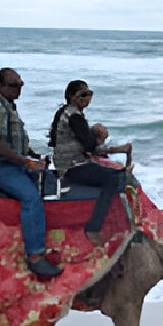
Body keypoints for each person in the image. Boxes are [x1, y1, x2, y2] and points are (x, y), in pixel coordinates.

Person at [0, 68, 61, 278]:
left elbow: (16, 144)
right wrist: (28, 163)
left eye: (20, 84)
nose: (19, 89)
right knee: (31, 197)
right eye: (13, 85)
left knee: (52, 184)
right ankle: (35, 256)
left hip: (14, 164)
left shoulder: (10, 108)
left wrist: (34, 156)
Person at [47, 80, 131, 245]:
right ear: (72, 97)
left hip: (67, 162)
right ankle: (94, 227)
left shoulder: (66, 112)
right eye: (82, 95)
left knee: (115, 174)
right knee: (112, 179)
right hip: (72, 165)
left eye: (89, 94)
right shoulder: (75, 117)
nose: (87, 98)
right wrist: (116, 148)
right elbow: (90, 147)